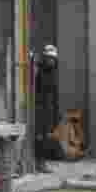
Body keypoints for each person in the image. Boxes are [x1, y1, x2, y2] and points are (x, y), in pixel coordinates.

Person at [35, 44, 60, 174]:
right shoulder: (40, 72)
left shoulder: (52, 73)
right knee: (40, 136)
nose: (51, 61)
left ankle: (42, 162)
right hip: (39, 107)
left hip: (47, 108)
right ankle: (40, 163)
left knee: (45, 136)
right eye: (49, 58)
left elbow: (53, 93)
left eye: (53, 58)